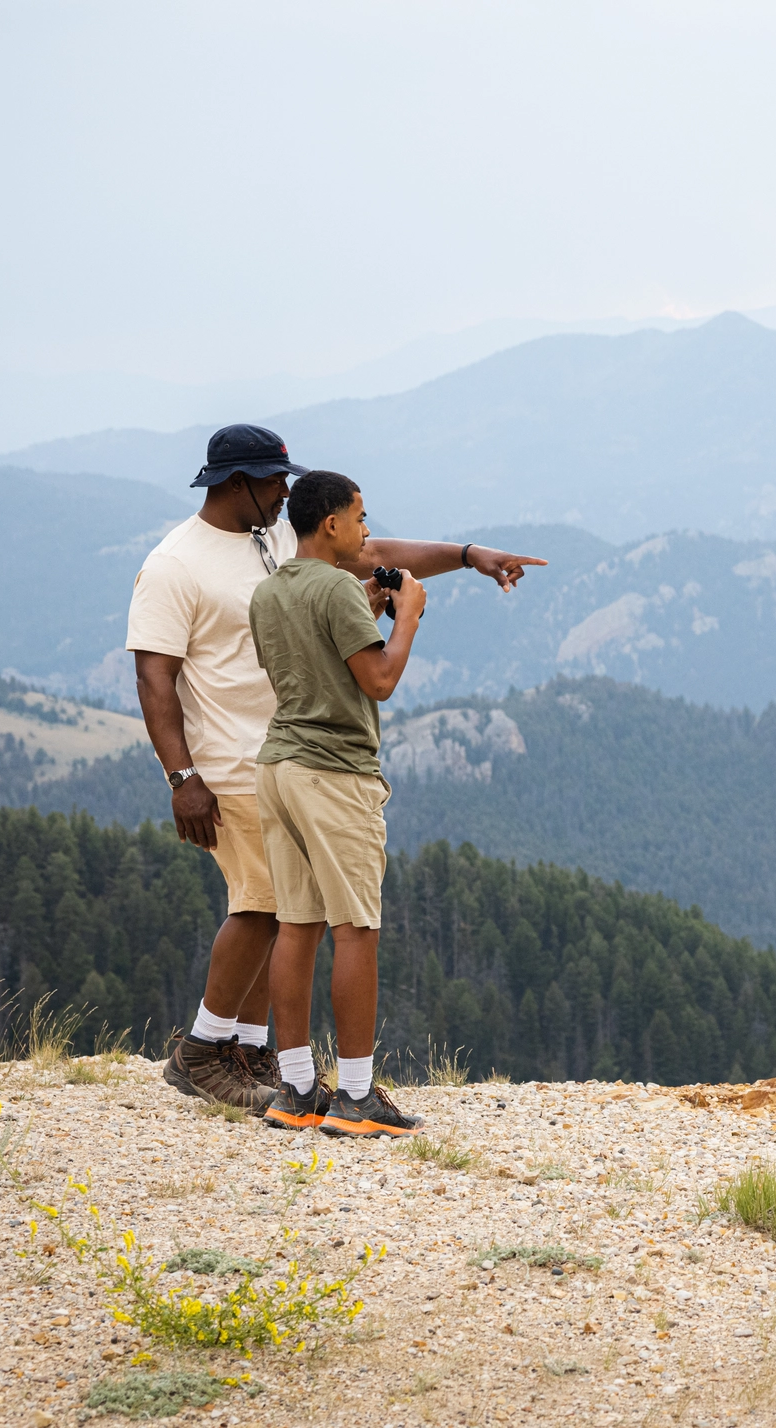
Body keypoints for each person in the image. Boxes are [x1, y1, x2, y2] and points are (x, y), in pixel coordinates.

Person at [128, 426, 545, 1113]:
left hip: (278, 753)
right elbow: (153, 679)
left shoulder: (272, 541)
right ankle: (206, 1050)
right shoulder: (175, 564)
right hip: (234, 762)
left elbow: (366, 554)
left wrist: (471, 556)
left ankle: (260, 1054)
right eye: (273, 482)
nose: (284, 492)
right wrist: (182, 778)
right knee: (270, 908)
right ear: (236, 485)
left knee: (284, 913)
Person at [247, 469, 432, 1136]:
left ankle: (296, 1090)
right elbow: (378, 681)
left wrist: (368, 614)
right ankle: (356, 1095)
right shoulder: (338, 590)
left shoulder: (270, 593)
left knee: (297, 923)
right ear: (330, 523)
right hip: (335, 773)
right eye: (360, 518)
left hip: (278, 768)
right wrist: (405, 618)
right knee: (356, 927)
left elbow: (307, 666)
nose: (367, 531)